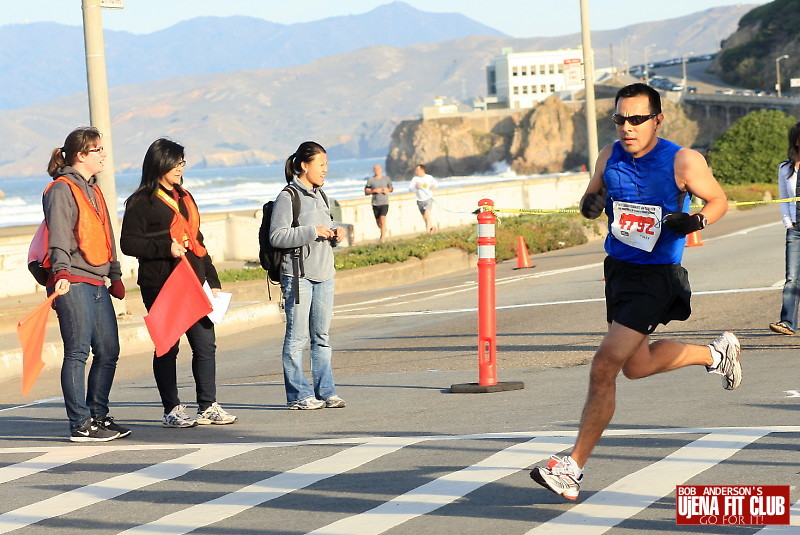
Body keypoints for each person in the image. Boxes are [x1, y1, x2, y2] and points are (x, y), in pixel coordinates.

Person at [530, 83, 742, 501]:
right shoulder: (609, 156)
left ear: (658, 119)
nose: (627, 128)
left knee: (605, 364)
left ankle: (572, 467)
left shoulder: (682, 159)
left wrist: (695, 221)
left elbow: (719, 199)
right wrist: (590, 204)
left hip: (657, 277)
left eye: (637, 119)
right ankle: (716, 354)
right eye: (620, 119)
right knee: (636, 365)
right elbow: (592, 196)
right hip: (619, 273)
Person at [120, 138, 237, 428]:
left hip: (194, 280)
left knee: (205, 343)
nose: (179, 167)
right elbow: (128, 243)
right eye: (175, 162)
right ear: (159, 163)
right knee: (167, 346)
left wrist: (213, 279)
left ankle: (208, 406)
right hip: (161, 284)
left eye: (182, 162)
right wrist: (164, 247)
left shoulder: (185, 196)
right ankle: (171, 409)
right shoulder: (141, 201)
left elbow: (197, 240)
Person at [43, 127, 129, 442]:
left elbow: (106, 235)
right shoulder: (61, 189)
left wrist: (115, 274)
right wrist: (62, 274)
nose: (104, 155)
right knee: (77, 351)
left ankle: (98, 415)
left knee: (109, 350)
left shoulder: (94, 189)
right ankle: (80, 423)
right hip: (74, 281)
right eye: (99, 150)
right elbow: (60, 236)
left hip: (97, 280)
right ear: (82, 154)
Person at [270, 141, 346, 410]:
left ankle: (326, 391)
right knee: (297, 338)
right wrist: (313, 231)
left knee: (321, 337)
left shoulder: (322, 196)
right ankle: (298, 395)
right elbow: (277, 236)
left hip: (325, 274)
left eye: (326, 165)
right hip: (298, 276)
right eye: (321, 164)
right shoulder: (288, 197)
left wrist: (336, 233)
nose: (325, 170)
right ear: (305, 165)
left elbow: (327, 229)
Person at [769, 122, 800, 335]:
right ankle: (787, 322)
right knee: (792, 278)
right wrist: (788, 223)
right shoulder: (785, 168)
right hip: (795, 230)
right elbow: (783, 198)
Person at [364, 164, 393, 242]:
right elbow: (366, 192)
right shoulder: (370, 180)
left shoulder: (386, 179)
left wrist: (387, 190)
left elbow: (391, 188)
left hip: (384, 202)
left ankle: (382, 238)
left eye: (378, 168)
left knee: (383, 220)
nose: (376, 170)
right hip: (375, 203)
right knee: (378, 223)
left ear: (381, 169)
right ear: (373, 170)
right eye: (375, 169)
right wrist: (374, 191)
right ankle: (383, 230)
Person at [408, 164, 438, 233]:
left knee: (427, 214)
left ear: (422, 170)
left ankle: (428, 232)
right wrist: (416, 186)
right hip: (419, 200)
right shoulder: (415, 179)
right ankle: (432, 228)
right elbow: (410, 189)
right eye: (416, 170)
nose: (416, 172)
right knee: (425, 218)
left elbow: (435, 184)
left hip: (428, 199)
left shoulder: (429, 177)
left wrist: (432, 186)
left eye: (417, 170)